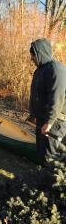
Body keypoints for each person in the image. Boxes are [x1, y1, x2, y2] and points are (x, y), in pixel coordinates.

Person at [27, 38, 66, 168]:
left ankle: (50, 185)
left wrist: (49, 122)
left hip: (55, 122)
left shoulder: (56, 69)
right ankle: (41, 180)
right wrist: (33, 114)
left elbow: (57, 97)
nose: (31, 58)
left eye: (33, 55)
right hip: (42, 119)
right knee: (41, 153)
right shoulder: (40, 70)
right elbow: (37, 94)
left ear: (40, 53)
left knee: (50, 156)